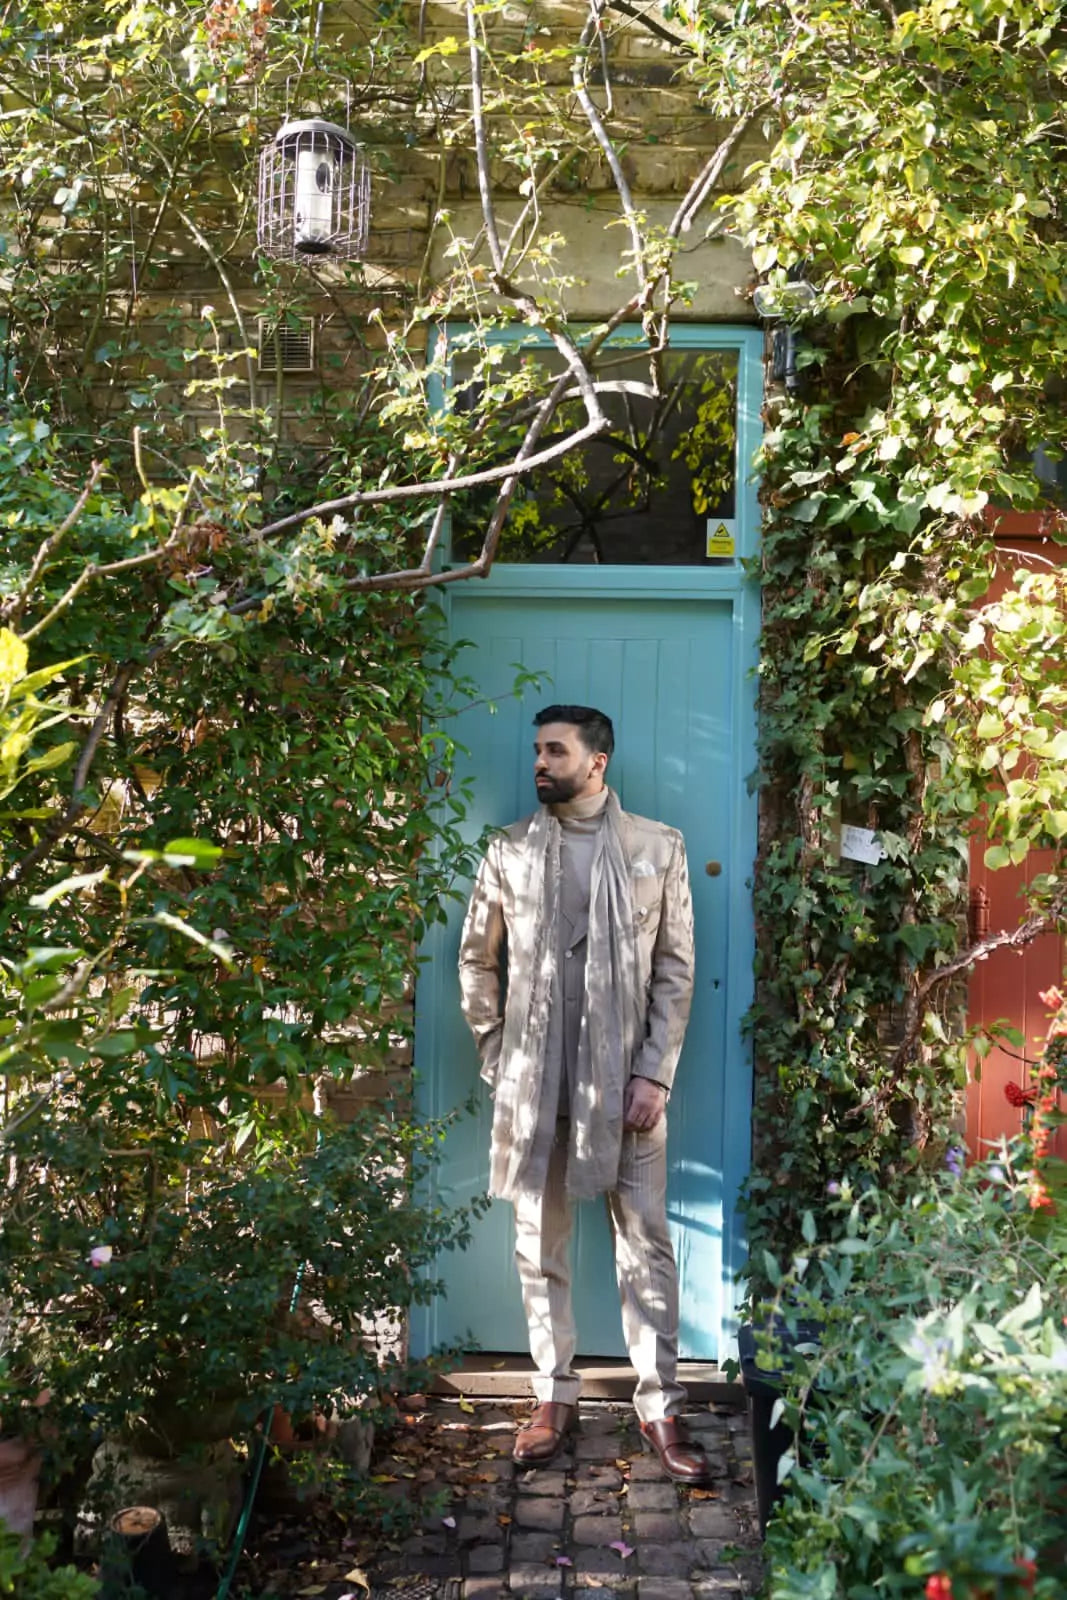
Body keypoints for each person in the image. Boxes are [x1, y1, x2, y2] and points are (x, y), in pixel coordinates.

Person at [457, 704, 711, 1484]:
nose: (539, 762)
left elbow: (674, 969)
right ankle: (550, 1395)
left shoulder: (655, 847)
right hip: (537, 1090)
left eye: (553, 750)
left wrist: (652, 1074)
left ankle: (659, 1406)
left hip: (627, 1095)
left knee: (645, 1250)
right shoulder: (506, 851)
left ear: (595, 761)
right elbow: (477, 960)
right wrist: (499, 1053)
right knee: (540, 1248)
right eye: (535, 749)